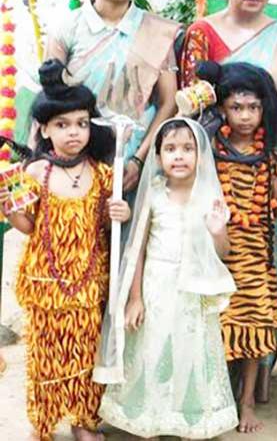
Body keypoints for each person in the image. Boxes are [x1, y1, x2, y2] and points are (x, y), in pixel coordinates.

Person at [180, 0, 277, 394]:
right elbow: (190, 102)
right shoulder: (201, 33)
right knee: (209, 267)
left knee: (262, 272)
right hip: (210, 168)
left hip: (266, 167)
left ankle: (253, 377)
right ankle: (207, 376)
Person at [0, 59, 126, 441]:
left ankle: (83, 421)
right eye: (63, 125)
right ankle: (45, 422)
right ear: (44, 128)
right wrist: (10, 210)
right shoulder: (35, 172)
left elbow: (107, 225)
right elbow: (30, 227)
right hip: (46, 283)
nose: (74, 133)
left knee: (86, 355)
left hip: (88, 283)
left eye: (82, 124)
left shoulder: (104, 173)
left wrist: (120, 210)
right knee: (46, 355)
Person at [95, 118, 239, 438]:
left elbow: (224, 251)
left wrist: (218, 232)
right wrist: (135, 298)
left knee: (191, 351)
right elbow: (138, 248)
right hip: (156, 286)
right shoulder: (155, 194)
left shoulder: (209, 197)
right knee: (153, 348)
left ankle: (188, 419)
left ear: (201, 154)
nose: (179, 156)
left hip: (192, 291)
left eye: (188, 149)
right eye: (170, 149)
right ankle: (151, 419)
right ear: (158, 157)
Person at [196, 60, 277, 433]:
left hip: (257, 257)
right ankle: (213, 399)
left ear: (265, 109)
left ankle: (246, 403)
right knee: (216, 326)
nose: (245, 116)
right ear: (223, 108)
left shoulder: (269, 153)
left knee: (255, 326)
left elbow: (275, 208)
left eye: (253, 107)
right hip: (216, 252)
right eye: (236, 107)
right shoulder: (209, 148)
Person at [46, 0, 180, 192]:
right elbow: (50, 99)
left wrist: (139, 160)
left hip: (132, 162)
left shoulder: (156, 32)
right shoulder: (67, 28)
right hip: (74, 159)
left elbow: (169, 103)